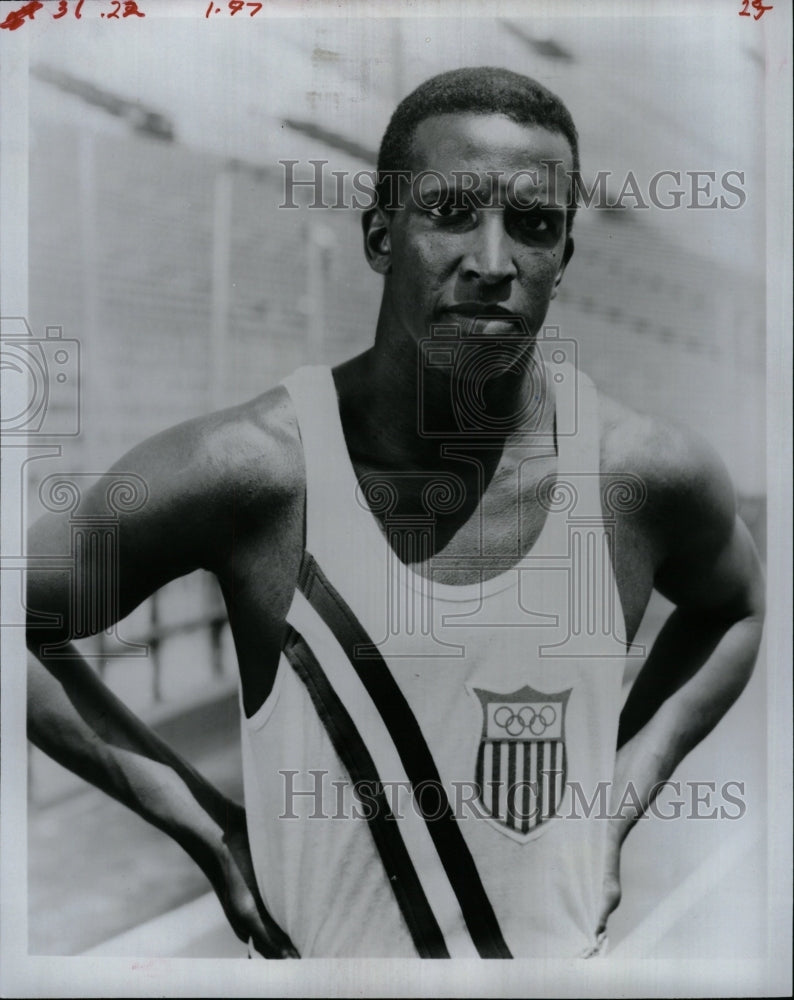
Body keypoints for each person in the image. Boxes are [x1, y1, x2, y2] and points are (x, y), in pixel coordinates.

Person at [26, 67, 765, 959]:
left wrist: (617, 799)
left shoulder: (641, 474)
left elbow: (737, 608)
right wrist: (208, 826)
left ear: (563, 261)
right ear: (381, 235)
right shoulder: (250, 470)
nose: (493, 263)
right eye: (451, 210)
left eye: (534, 226)